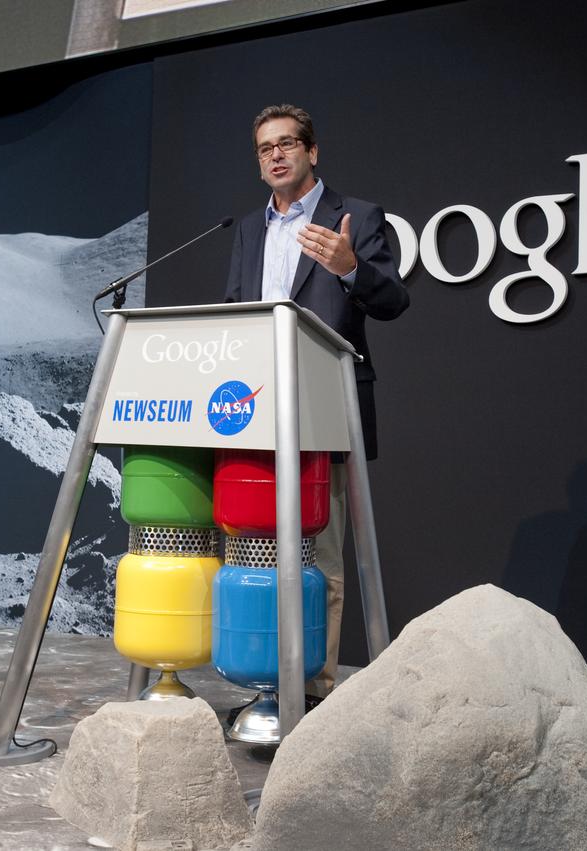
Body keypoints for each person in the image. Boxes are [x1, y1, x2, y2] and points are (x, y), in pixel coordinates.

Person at [223, 104, 409, 697]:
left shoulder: (355, 216)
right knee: (253, 553)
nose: (276, 154)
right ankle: (262, 682)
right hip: (253, 414)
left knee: (319, 558)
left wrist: (351, 267)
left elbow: (393, 301)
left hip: (325, 410)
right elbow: (235, 310)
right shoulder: (251, 229)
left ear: (312, 151)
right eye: (265, 148)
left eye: (287, 144)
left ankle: (316, 686)